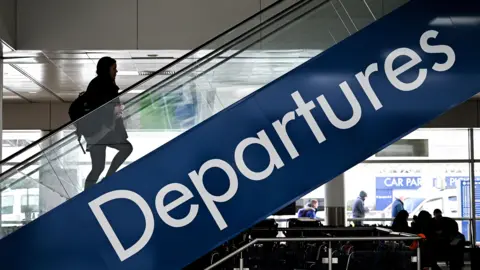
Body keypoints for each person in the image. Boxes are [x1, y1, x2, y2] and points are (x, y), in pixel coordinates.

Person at [83, 57, 133, 189]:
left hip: (98, 132)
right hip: (101, 131)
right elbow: (104, 106)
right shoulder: (104, 85)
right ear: (107, 69)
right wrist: (116, 109)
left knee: (98, 167)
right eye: (114, 68)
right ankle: (108, 179)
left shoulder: (98, 83)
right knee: (126, 148)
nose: (116, 71)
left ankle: (86, 195)